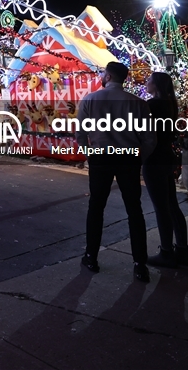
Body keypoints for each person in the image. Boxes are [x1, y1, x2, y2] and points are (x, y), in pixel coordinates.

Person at [76, 61, 155, 283]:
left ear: (108, 76)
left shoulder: (90, 100)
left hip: (101, 156)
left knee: (96, 207)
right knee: (134, 209)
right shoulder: (138, 103)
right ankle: (140, 264)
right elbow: (150, 138)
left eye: (103, 73)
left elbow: (81, 134)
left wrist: (89, 154)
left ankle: (91, 256)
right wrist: (139, 157)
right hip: (128, 156)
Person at [142, 72, 188, 269]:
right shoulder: (170, 104)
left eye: (149, 80)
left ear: (156, 85)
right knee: (171, 204)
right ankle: (182, 250)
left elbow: (145, 132)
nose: (146, 83)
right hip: (166, 156)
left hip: (154, 157)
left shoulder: (152, 105)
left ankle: (166, 252)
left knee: (161, 207)